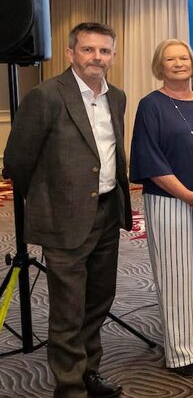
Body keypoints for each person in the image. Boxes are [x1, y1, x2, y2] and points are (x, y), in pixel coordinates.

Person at [4, 22, 132, 397]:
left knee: (98, 300)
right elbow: (17, 160)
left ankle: (90, 370)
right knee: (68, 306)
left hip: (108, 212)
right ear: (70, 53)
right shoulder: (46, 96)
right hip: (65, 218)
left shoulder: (117, 96)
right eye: (89, 50)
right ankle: (70, 386)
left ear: (113, 55)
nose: (97, 58)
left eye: (104, 51)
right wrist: (48, 201)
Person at [129, 39, 193, 377]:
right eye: (170, 59)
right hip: (170, 201)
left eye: (183, 57)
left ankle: (190, 332)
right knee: (174, 277)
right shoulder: (151, 105)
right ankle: (178, 351)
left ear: (192, 63)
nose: (178, 63)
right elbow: (149, 159)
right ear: (160, 66)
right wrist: (187, 194)